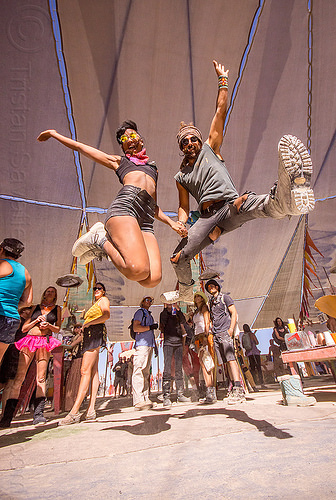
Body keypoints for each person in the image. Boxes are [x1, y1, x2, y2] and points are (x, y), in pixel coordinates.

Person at [161, 60, 315, 304]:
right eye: (185, 142)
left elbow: (220, 112)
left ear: (200, 141)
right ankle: (187, 291)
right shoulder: (181, 177)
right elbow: (183, 205)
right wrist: (181, 224)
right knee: (177, 257)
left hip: (229, 205)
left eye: (193, 139)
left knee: (250, 204)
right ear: (181, 147)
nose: (190, 143)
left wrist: (223, 81)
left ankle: (286, 202)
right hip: (205, 217)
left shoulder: (211, 149)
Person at [37, 124, 187, 288]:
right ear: (123, 147)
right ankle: (100, 238)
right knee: (137, 270)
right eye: (124, 139)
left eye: (132, 135)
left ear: (141, 141)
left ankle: (104, 240)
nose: (128, 139)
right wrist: (55, 134)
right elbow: (82, 148)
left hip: (145, 221)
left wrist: (172, 223)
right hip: (126, 209)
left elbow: (153, 205)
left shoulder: (153, 169)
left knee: (152, 279)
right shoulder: (120, 162)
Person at [0, 286, 62, 428]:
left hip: (45, 340)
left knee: (41, 377)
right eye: (48, 291)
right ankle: (8, 416)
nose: (50, 292)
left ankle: (38, 414)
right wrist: (36, 321)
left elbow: (58, 328)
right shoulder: (35, 307)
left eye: (52, 291)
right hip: (30, 340)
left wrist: (49, 326)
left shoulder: (57, 309)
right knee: (19, 377)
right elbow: (24, 328)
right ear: (44, 294)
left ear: (55, 295)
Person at [59, 282, 110, 425]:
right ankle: (91, 410)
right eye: (95, 288)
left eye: (99, 288)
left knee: (84, 370)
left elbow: (106, 315)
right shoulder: (96, 303)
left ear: (104, 291)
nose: (96, 290)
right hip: (90, 334)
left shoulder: (104, 300)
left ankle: (74, 411)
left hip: (94, 333)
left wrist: (88, 324)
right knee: (93, 371)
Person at [205, 279, 246, 404]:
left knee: (231, 359)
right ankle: (232, 387)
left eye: (213, 286)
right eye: (209, 287)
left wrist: (231, 329)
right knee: (224, 362)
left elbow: (234, 313)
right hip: (216, 333)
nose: (211, 288)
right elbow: (212, 317)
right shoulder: (211, 302)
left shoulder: (225, 298)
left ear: (217, 287)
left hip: (225, 332)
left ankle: (239, 389)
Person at [0, 238, 33, 365]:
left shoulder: (2, 264)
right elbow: (28, 301)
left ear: (2, 249)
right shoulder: (25, 273)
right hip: (11, 319)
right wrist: (12, 305)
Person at [0, 305, 33, 416]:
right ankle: (5, 412)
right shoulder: (18, 321)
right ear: (25, 310)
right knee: (8, 382)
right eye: (30, 309)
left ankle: (6, 413)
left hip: (14, 352)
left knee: (9, 382)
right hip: (12, 352)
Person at [159, 303, 190, 408]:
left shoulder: (177, 313)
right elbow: (162, 323)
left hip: (178, 343)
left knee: (178, 368)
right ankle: (166, 396)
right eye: (168, 303)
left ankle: (180, 394)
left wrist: (178, 309)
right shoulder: (163, 313)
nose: (170, 304)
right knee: (167, 368)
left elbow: (183, 321)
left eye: (172, 303)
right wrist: (165, 309)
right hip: (168, 342)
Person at [132, 296, 158, 410]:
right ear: (142, 302)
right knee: (139, 370)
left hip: (149, 345)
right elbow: (136, 328)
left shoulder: (149, 314)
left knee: (146, 372)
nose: (149, 302)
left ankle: (145, 397)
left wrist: (155, 346)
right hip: (142, 344)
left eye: (150, 300)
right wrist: (149, 327)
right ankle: (138, 400)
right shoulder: (139, 312)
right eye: (147, 300)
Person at [192, 291, 216, 403]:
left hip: (204, 336)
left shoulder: (204, 308)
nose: (197, 298)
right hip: (197, 337)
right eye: (196, 296)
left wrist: (206, 337)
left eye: (199, 296)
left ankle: (211, 392)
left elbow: (207, 322)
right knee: (203, 364)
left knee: (207, 363)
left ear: (202, 298)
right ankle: (209, 391)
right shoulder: (196, 311)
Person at [63, 323, 83, 412]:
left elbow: (71, 346)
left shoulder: (81, 336)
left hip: (79, 359)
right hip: (75, 359)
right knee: (72, 381)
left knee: (74, 381)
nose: (77, 329)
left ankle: (72, 405)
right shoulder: (75, 337)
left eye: (79, 327)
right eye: (75, 327)